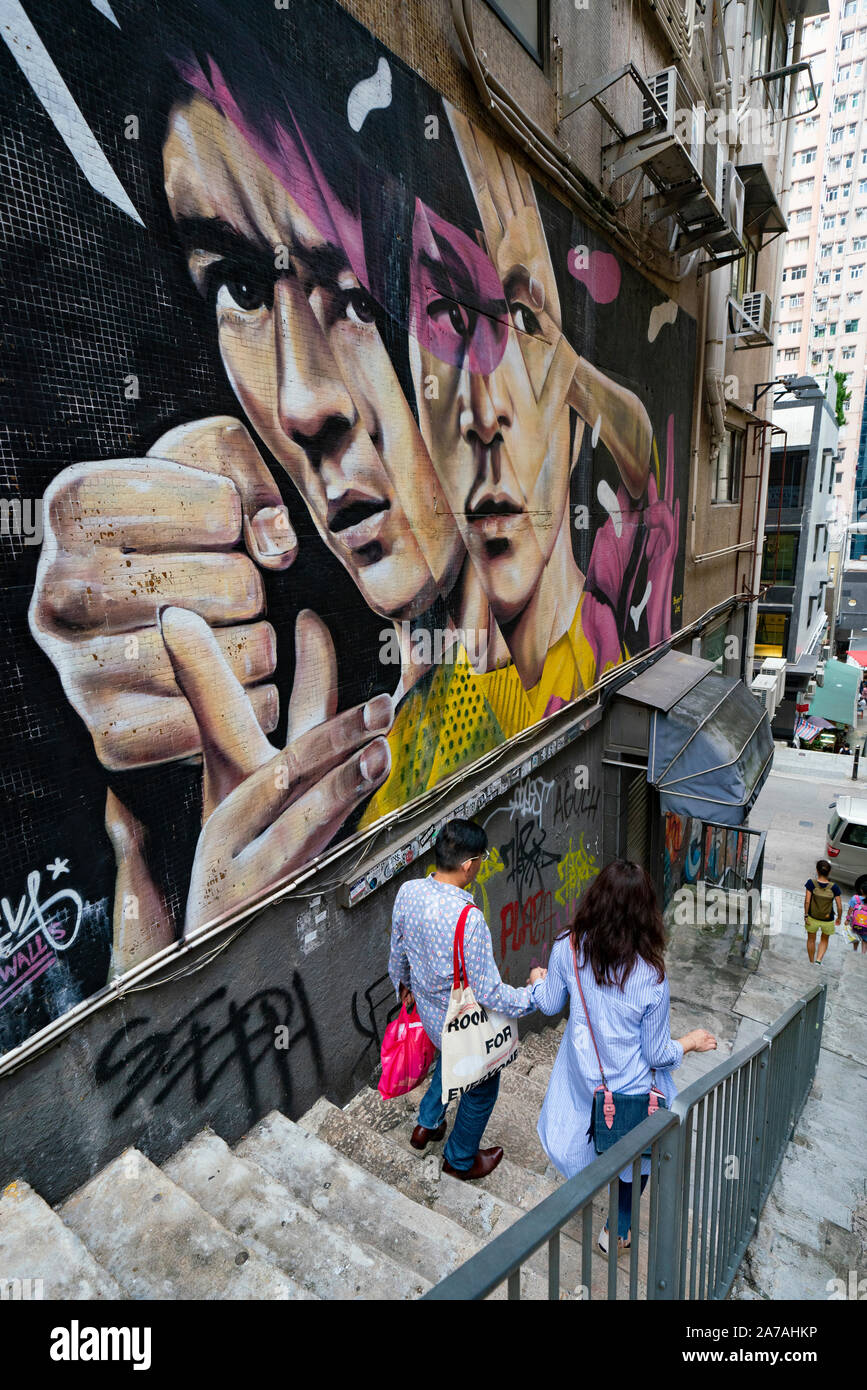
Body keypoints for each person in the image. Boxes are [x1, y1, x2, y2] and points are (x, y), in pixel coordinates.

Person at [531, 860, 716, 1251]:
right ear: (645, 913)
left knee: (584, 1140)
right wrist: (689, 1042)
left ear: (595, 900)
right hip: (631, 1090)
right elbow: (656, 1052)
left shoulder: (567, 945)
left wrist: (537, 980)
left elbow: (549, 1005)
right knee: (637, 1158)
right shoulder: (651, 976)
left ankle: (586, 1190)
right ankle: (617, 1230)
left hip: (584, 1078)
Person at [388, 819, 547, 1180]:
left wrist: (405, 987)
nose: (480, 865)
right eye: (481, 859)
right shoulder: (468, 919)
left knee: (448, 1059)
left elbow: (397, 953)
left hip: (429, 1015)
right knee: (481, 1090)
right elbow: (490, 993)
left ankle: (426, 1125)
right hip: (460, 1023)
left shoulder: (408, 892)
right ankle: (459, 1160)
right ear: (467, 865)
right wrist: (535, 993)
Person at [804, 859, 842, 963]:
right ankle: (818, 960)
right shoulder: (834, 887)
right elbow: (839, 906)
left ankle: (811, 961)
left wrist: (806, 915)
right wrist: (839, 918)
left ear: (817, 870)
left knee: (811, 940)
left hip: (812, 917)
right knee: (824, 940)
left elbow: (807, 901)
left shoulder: (811, 883)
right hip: (828, 918)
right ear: (829, 872)